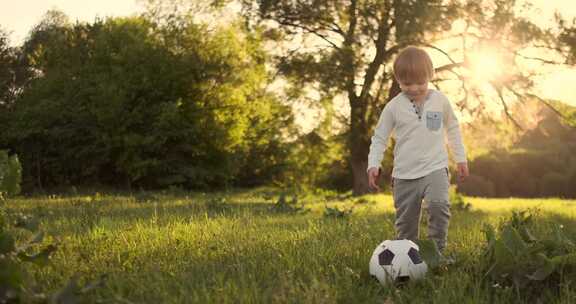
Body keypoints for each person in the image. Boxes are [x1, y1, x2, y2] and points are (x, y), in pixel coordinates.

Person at [366, 46, 469, 252]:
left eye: (420, 82)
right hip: (404, 175)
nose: (414, 88)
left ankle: (436, 254)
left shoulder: (440, 101)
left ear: (430, 76)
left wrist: (460, 158)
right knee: (406, 227)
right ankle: (408, 261)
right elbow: (379, 137)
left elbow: (452, 128)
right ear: (398, 80)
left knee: (439, 206)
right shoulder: (393, 107)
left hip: (435, 168)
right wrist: (373, 164)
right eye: (407, 83)